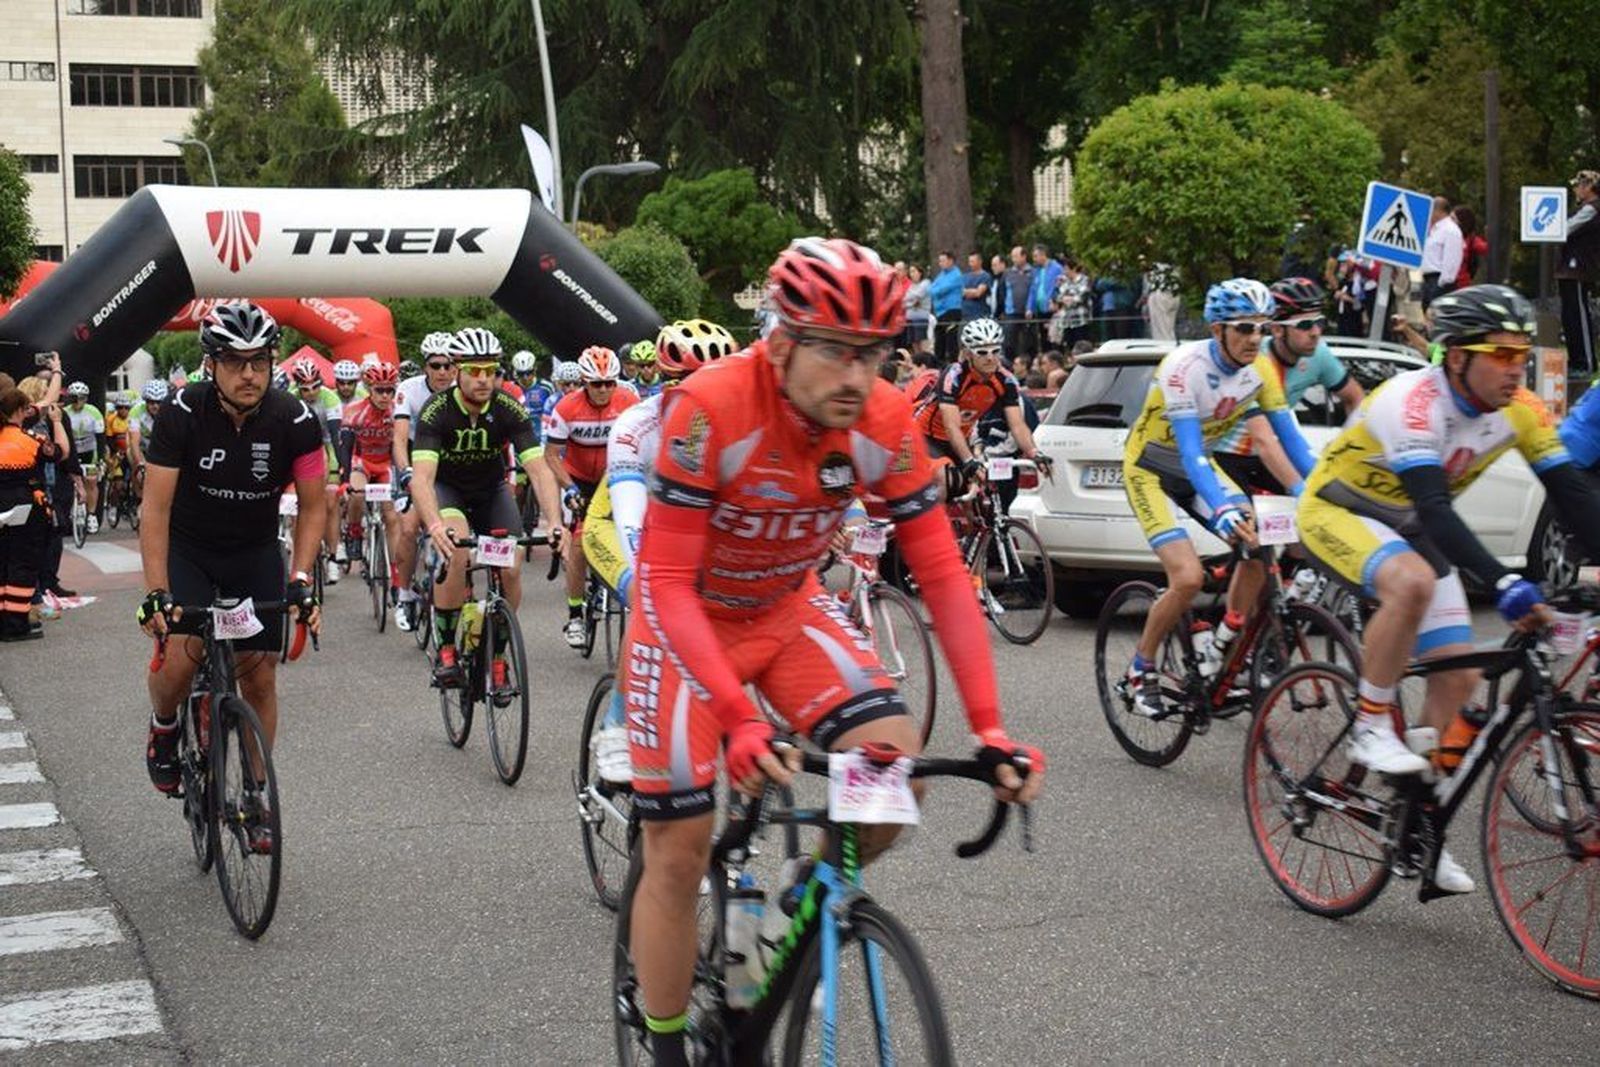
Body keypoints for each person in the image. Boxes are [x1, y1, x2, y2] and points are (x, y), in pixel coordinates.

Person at [622, 237, 1044, 1065]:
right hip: (687, 625)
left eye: (876, 353)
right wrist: (739, 718)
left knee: (891, 777)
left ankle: (795, 912)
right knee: (677, 845)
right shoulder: (710, 407)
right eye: (837, 351)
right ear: (780, 342)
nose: (859, 376)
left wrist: (992, 728)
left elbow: (943, 576)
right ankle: (669, 1042)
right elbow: (666, 579)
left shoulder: (884, 420)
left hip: (784, 610)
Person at [1297, 284, 1600, 894]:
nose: (1517, 366)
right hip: (1340, 509)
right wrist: (1506, 581)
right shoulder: (1413, 403)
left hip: (1410, 523)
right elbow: (1436, 509)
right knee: (1408, 582)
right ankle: (1371, 722)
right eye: (1501, 353)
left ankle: (1418, 824)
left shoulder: (1521, 408)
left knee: (1459, 677)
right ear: (1456, 356)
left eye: (1523, 353)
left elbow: (1572, 492)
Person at [137, 303, 325, 854]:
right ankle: (166, 726)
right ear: (211, 364)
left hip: (253, 550)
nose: (250, 374)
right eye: (236, 362)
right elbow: (155, 510)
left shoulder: (294, 418)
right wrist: (156, 593)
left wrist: (300, 577)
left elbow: (315, 508)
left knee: (260, 676)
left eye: (260, 362)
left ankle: (257, 794)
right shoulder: (180, 413)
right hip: (190, 550)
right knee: (182, 651)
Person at [1121, 279, 1318, 715]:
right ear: (1217, 330)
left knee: (1259, 541)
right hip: (1153, 468)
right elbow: (1190, 453)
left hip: (1200, 470)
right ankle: (1141, 665)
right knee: (1188, 578)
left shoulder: (1260, 370)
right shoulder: (1182, 367)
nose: (1254, 338)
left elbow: (1294, 444)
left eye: (1262, 329)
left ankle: (1225, 639)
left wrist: (1317, 492)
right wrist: (1224, 507)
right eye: (1244, 328)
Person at [582, 318, 741, 783]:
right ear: (664, 384)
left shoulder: (737, 423)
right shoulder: (636, 426)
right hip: (616, 522)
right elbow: (633, 522)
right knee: (649, 599)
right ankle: (617, 722)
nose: (705, 399)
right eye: (687, 385)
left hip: (683, 529)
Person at [409, 327, 553, 687]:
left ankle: (499, 655)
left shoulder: (508, 407)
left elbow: (538, 469)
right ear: (457, 371)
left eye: (490, 370)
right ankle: (445, 650)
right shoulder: (437, 410)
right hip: (449, 490)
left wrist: (554, 521)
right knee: (456, 553)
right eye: (475, 371)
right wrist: (435, 526)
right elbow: (422, 479)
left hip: (491, 491)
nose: (484, 379)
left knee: (513, 565)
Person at [1213, 278, 1364, 495]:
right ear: (1276, 330)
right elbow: (1262, 438)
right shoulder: (1253, 360)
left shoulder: (1319, 355)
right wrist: (1301, 489)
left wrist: (1347, 447)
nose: (1315, 332)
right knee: (1245, 521)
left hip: (1273, 452)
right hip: (1227, 456)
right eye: (1304, 325)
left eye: (1319, 323)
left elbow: (1356, 398)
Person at [544, 345, 638, 648]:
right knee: (581, 544)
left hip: (615, 479)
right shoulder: (566, 408)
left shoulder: (629, 402)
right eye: (597, 384)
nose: (604, 390)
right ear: (585, 382)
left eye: (610, 383)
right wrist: (568, 487)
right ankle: (574, 614)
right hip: (580, 480)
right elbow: (551, 456)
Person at [914, 316, 1051, 487]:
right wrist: (969, 459)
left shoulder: (1005, 380)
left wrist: (1034, 453)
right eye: (982, 352)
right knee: (944, 479)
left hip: (959, 438)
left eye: (995, 351)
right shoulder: (954, 375)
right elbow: (951, 426)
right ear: (968, 353)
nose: (990, 358)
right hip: (927, 436)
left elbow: (1017, 425)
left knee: (980, 487)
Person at [390, 331, 460, 630]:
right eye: (436, 365)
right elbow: (399, 438)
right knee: (407, 527)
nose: (443, 371)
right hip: (418, 461)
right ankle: (404, 594)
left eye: (448, 365)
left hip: (452, 463)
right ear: (425, 367)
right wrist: (405, 472)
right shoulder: (409, 389)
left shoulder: (463, 388)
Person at [0, 387, 66, 640]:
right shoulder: (30, 441)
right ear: (19, 410)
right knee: (22, 566)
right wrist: (57, 422)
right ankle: (16, 624)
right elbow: (60, 452)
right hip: (25, 509)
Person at [336, 361, 402, 571]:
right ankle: (354, 532)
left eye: (389, 390)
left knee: (391, 517)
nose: (385, 396)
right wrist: (345, 480)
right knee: (356, 494)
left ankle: (396, 573)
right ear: (369, 389)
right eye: (380, 390)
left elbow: (403, 446)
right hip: (361, 462)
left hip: (385, 465)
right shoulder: (354, 411)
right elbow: (345, 449)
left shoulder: (397, 412)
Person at [1559, 170, 1600, 377]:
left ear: (1589, 188)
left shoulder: (1592, 209)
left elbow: (1564, 229)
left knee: (1579, 314)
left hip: (1579, 268)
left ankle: (1586, 363)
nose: (1575, 189)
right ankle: (1575, 360)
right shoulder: (1582, 208)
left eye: (1578, 185)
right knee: (1569, 316)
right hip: (1569, 268)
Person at [63, 382, 104, 535]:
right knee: (70, 481)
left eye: (81, 398)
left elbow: (100, 438)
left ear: (86, 399)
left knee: (91, 481)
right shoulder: (65, 412)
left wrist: (100, 459)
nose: (77, 402)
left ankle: (92, 515)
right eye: (74, 398)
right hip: (72, 451)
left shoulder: (94, 412)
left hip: (89, 451)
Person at [1420, 196, 1463, 311]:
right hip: (1427, 280)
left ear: (1438, 211)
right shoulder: (1435, 229)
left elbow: (1452, 260)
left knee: (1436, 318)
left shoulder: (1450, 230)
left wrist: (1441, 284)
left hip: (1439, 281)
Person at [928, 250, 964, 364]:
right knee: (939, 339)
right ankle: (939, 364)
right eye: (939, 261)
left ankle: (953, 364)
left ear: (950, 261)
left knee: (951, 340)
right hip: (941, 312)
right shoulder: (942, 274)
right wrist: (935, 290)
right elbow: (931, 289)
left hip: (952, 310)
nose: (940, 263)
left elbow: (941, 290)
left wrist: (936, 290)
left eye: (943, 260)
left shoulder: (956, 275)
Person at [1027, 244, 1064, 353]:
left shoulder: (1056, 268)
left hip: (1052, 308)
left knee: (1054, 337)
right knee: (1043, 339)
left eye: (1035, 256)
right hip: (1040, 309)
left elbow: (1059, 286)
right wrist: (1029, 307)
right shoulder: (1036, 271)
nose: (1034, 259)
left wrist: (1055, 300)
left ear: (1043, 255)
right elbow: (1033, 290)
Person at [1002, 246, 1034, 358]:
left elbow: (1033, 291)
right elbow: (1002, 292)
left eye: (1016, 256)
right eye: (1012, 257)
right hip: (1011, 313)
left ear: (1024, 256)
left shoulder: (1032, 272)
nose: (1013, 259)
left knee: (1028, 342)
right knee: (1009, 342)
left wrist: (1030, 308)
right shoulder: (1008, 273)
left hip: (1028, 313)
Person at [901, 263, 931, 354]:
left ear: (920, 272)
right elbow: (907, 299)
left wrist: (909, 301)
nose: (911, 274)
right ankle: (918, 361)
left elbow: (917, 295)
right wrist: (911, 303)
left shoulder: (925, 283)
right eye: (910, 272)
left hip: (921, 317)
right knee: (913, 342)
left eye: (914, 271)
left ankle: (926, 362)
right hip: (910, 318)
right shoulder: (912, 286)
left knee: (921, 341)